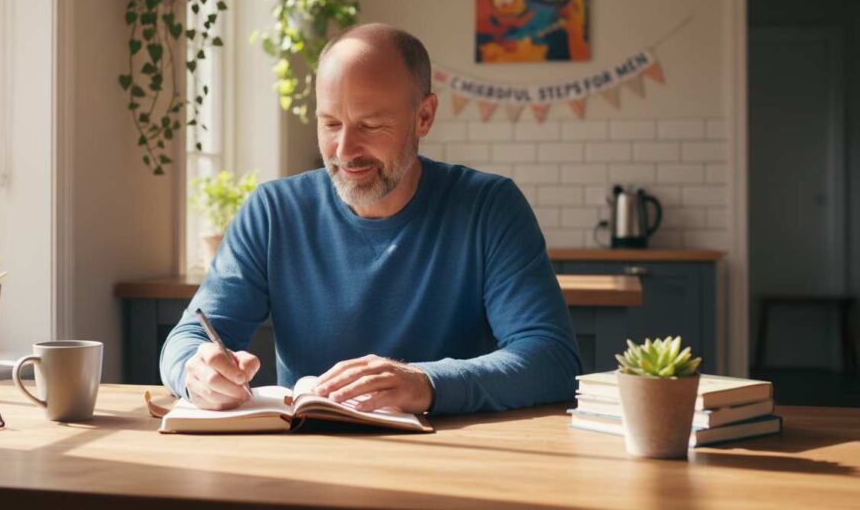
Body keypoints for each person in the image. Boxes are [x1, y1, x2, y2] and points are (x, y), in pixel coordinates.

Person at [159, 23, 580, 416]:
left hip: (449, 459)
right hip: (307, 455)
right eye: (330, 124)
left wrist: (426, 383)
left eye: (371, 125)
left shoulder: (489, 207)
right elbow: (187, 339)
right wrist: (195, 373)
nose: (344, 150)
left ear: (424, 117)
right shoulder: (274, 211)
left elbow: (551, 357)